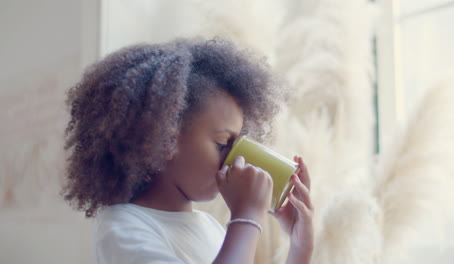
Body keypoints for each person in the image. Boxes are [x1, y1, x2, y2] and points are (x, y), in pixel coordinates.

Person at [62, 37, 314, 264]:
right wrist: (247, 217)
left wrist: (300, 247)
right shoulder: (122, 226)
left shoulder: (209, 227)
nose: (236, 159)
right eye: (223, 144)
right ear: (163, 140)